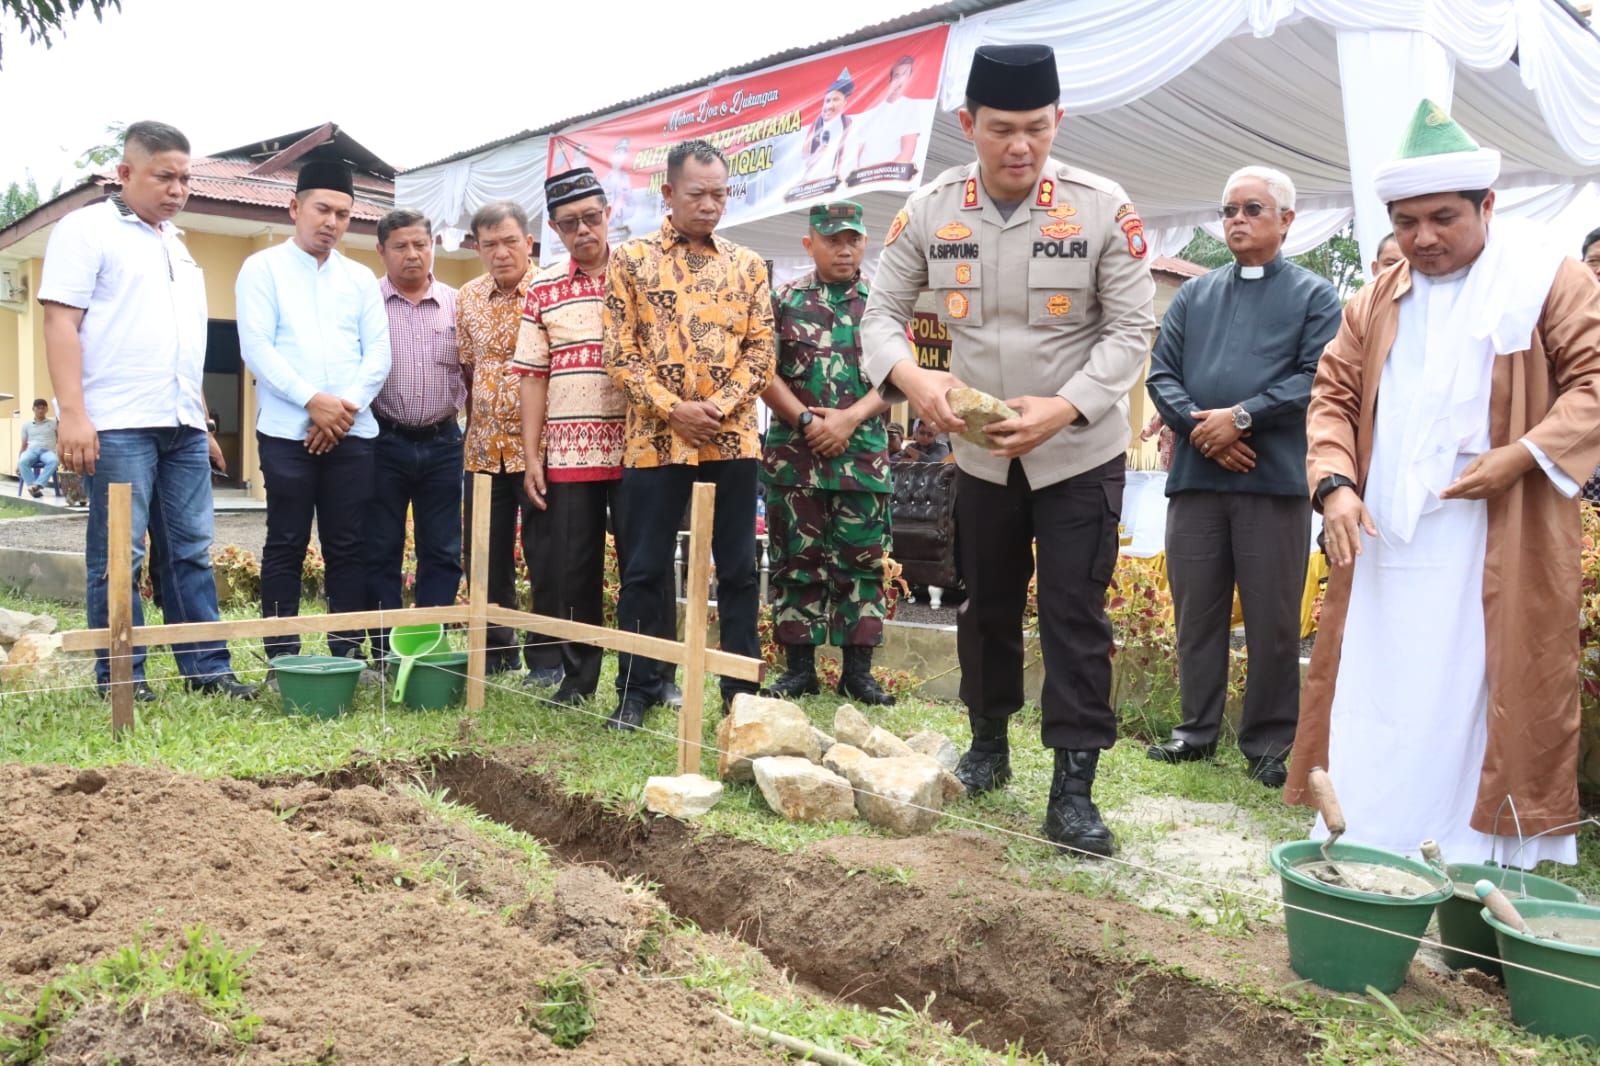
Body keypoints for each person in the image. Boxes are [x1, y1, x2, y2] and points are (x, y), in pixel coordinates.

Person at [1285, 100, 1600, 867]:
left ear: (1487, 206)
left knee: (1484, 689)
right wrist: (1336, 485)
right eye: (1406, 222)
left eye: (1443, 218)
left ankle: (1473, 858)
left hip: (1499, 540)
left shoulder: (1549, 280)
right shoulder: (1376, 297)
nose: (1423, 238)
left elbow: (1593, 383)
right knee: (1381, 685)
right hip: (1387, 544)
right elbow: (1332, 398)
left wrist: (1521, 455)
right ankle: (1371, 840)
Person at [861, 45, 1157, 858]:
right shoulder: (930, 210)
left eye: (1037, 128)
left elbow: (1133, 329)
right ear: (968, 124)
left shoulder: (1102, 207)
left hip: (1078, 452)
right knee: (984, 603)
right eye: (1001, 129)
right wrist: (911, 379)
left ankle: (1074, 788)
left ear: (1058, 120)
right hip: (980, 456)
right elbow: (880, 316)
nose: (1020, 146)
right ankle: (987, 743)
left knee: (1073, 614)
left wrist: (1065, 406)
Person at [40, 119, 256, 701]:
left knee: (190, 551)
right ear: (126, 172)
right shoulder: (85, 229)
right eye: (165, 177)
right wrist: (72, 415)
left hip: (180, 424)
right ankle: (122, 677)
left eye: (185, 179)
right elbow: (60, 322)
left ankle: (208, 671)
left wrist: (202, 422)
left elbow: (183, 344)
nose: (177, 189)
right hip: (117, 422)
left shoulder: (175, 243)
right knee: (120, 555)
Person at [1144, 166, 1341, 787]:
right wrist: (1207, 431)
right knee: (1196, 614)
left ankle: (1269, 743)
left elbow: (1316, 376)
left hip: (1273, 482)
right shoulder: (1194, 295)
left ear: (1286, 220)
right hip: (1198, 482)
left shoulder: (1315, 297)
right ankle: (1194, 731)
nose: (1236, 220)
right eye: (1229, 210)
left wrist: (1243, 417)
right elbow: (1162, 373)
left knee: (1273, 621)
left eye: (1252, 209)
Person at [603, 138, 775, 730]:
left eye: (719, 195)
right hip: (654, 441)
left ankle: (741, 694)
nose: (709, 205)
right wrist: (672, 408)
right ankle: (636, 689)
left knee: (739, 569)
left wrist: (718, 407)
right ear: (669, 193)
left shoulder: (749, 265)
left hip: (732, 440)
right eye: (698, 194)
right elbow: (619, 353)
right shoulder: (631, 260)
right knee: (644, 567)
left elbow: (761, 353)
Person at [513, 168, 677, 708]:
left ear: (608, 215)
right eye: (569, 223)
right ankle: (578, 677)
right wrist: (532, 455)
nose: (582, 230)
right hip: (568, 451)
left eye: (590, 217)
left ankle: (655, 678)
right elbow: (532, 376)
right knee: (572, 569)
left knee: (646, 565)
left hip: (640, 447)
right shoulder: (541, 288)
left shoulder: (642, 272)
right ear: (555, 230)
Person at [236, 159, 390, 670]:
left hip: (352, 432)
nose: (332, 222)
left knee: (348, 545)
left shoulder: (361, 278)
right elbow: (257, 348)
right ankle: (282, 659)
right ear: (294, 208)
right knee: (286, 542)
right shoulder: (262, 269)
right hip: (287, 432)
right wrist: (312, 402)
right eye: (322, 209)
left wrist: (340, 412)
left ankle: (347, 655)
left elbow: (378, 354)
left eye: (343, 214)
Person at [760, 201, 895, 705]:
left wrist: (849, 419)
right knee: (796, 562)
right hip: (796, 458)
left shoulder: (882, 304)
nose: (843, 249)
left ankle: (858, 675)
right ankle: (799, 671)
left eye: (852, 240)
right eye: (832, 239)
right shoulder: (783, 300)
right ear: (809, 243)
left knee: (864, 565)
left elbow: (898, 376)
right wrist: (806, 420)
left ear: (865, 242)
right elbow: (762, 371)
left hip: (862, 460)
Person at [458, 201, 564, 687]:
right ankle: (497, 651)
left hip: (538, 452)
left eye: (510, 242)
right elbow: (468, 367)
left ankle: (547, 659)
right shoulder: (467, 298)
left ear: (529, 242)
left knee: (546, 554)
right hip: (482, 449)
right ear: (477, 248)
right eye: (490, 244)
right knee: (484, 552)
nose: (501, 253)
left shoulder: (551, 290)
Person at [367, 208, 464, 656]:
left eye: (421, 245)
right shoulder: (367, 304)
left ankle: (428, 648)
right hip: (382, 442)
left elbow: (472, 370)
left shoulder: (458, 305)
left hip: (444, 443)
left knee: (442, 550)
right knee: (380, 548)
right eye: (401, 246)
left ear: (432, 246)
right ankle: (385, 650)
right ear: (381, 250)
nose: (412, 255)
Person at [847, 55, 929, 171]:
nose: (900, 80)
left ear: (910, 79)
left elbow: (908, 150)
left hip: (888, 174)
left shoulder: (910, 106)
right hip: (863, 174)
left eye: (905, 75)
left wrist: (889, 175)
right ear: (890, 79)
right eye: (897, 75)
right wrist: (855, 173)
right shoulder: (873, 107)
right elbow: (858, 146)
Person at [802, 69, 855, 183]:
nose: (830, 105)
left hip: (834, 181)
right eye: (827, 101)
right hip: (812, 182)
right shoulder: (817, 122)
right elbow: (804, 155)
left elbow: (844, 152)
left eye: (835, 100)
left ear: (844, 102)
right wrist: (816, 155)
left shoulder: (847, 122)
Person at [18, 399, 59, 498]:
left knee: (54, 461)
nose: (40, 411)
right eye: (38, 408)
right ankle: (33, 487)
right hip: (32, 451)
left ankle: (37, 485)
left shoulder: (53, 423)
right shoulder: (26, 425)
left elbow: (60, 440)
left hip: (48, 451)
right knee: (22, 461)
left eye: (43, 408)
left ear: (47, 409)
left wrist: (66, 454)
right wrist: (18, 462)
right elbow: (23, 445)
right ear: (33, 409)